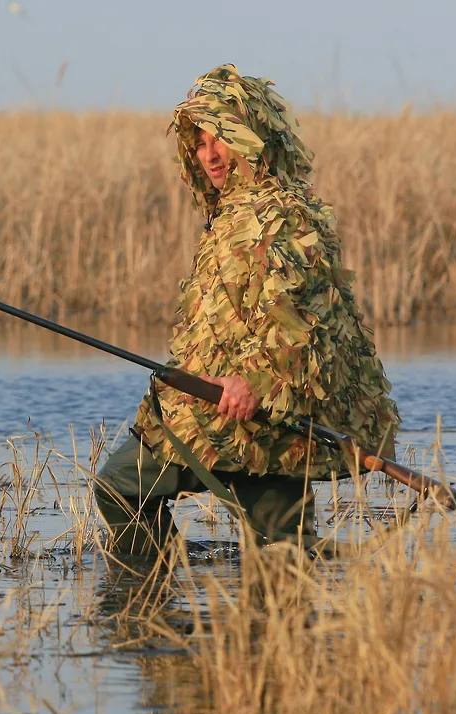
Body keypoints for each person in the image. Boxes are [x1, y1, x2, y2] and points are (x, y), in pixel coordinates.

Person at [93, 64, 401, 556]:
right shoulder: (233, 217)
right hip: (228, 416)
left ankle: (152, 618)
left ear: (255, 138)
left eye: (222, 138)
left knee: (277, 554)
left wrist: (253, 383)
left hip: (255, 421)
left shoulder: (277, 217)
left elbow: (307, 326)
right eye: (200, 142)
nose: (210, 154)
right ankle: (161, 618)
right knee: (282, 553)